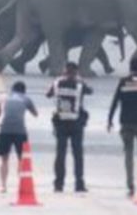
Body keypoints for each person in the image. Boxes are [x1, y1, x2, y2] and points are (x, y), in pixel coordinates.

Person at [107, 57, 137, 197]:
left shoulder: (123, 82)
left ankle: (130, 186)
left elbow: (115, 101)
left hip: (126, 123)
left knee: (128, 153)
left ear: (131, 67)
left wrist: (110, 120)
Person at [46, 61, 92, 193]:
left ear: (65, 70)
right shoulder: (79, 84)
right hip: (76, 123)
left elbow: (48, 95)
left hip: (60, 122)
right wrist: (81, 81)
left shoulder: (56, 83)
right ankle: (79, 184)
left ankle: (58, 184)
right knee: (78, 154)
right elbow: (90, 91)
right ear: (76, 72)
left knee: (60, 154)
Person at [0, 81, 37, 193]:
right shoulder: (26, 99)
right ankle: (21, 185)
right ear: (24, 90)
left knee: (4, 159)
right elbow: (35, 114)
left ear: (12, 90)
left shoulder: (3, 98)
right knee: (22, 159)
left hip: (4, 130)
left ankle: (3, 186)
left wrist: (0, 106)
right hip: (20, 131)